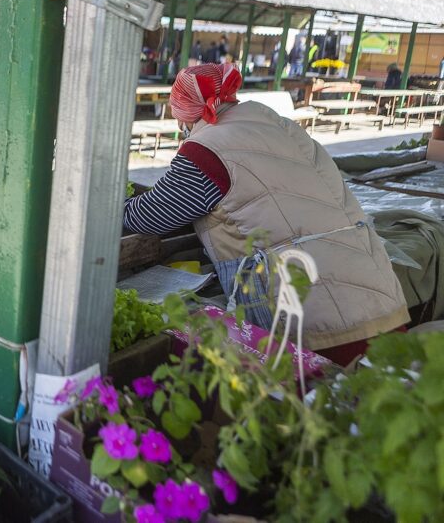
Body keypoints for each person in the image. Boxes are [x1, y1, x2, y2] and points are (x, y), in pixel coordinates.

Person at [123, 64, 409, 365]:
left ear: (182, 111)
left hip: (322, 327)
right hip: (381, 298)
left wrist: (116, 204)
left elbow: (147, 218)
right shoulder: (280, 125)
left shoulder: (205, 151)